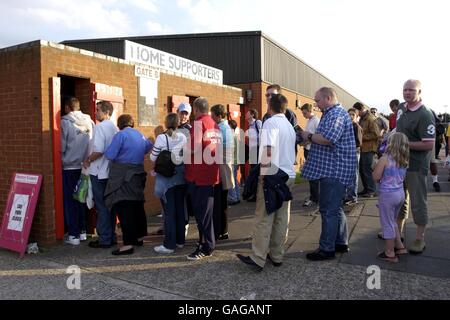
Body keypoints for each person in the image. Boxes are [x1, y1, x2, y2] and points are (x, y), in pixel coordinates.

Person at [236, 93, 296, 271]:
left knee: (264, 217)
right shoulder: (289, 126)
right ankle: (277, 256)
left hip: (273, 174)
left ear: (270, 106)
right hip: (288, 174)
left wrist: (263, 174)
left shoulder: (270, 122)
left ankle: (258, 257)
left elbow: (268, 150)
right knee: (281, 218)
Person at [301, 87, 357, 261]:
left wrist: (308, 136)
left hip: (334, 171)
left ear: (328, 98)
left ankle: (327, 248)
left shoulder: (336, 114)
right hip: (334, 169)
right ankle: (340, 242)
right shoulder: (333, 113)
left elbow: (328, 139)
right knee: (335, 208)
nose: (316, 104)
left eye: (317, 100)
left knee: (328, 210)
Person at [103, 114, 152, 255]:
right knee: (137, 206)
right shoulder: (140, 135)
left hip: (123, 176)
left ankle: (128, 245)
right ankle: (139, 237)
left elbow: (110, 155)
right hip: (138, 174)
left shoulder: (121, 135)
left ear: (120, 124)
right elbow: (149, 146)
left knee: (124, 209)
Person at [396, 79, 435, 254]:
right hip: (398, 162)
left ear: (419, 92)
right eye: (405, 90)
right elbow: (398, 131)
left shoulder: (425, 114)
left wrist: (402, 143)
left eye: (411, 90)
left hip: (416, 165)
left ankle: (420, 239)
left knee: (418, 203)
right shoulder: (401, 109)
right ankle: (397, 233)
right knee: (399, 199)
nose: (407, 93)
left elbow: (428, 144)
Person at [184, 97, 220, 260]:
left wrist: (182, 150)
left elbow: (193, 148)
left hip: (198, 175)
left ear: (196, 109)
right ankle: (204, 242)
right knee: (206, 212)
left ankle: (206, 246)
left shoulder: (199, 124)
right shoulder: (215, 124)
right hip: (211, 173)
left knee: (201, 214)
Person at [151, 113, 188, 254]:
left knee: (169, 212)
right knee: (179, 210)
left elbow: (153, 156)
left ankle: (169, 245)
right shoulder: (183, 137)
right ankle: (179, 241)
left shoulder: (161, 138)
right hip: (180, 177)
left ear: (166, 123)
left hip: (166, 179)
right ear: (178, 123)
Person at [84, 100, 119, 249]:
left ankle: (104, 238)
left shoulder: (100, 128)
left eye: (98, 110)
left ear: (106, 112)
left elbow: (98, 150)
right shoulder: (115, 128)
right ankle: (111, 236)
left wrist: (87, 160)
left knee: (101, 207)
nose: (96, 112)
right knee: (110, 206)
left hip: (98, 172)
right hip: (110, 172)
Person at [61, 97, 94, 245]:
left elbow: (61, 146)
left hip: (69, 167)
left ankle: (73, 235)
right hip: (85, 166)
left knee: (70, 201)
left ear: (67, 108)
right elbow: (93, 142)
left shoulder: (65, 122)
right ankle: (82, 232)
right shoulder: (89, 121)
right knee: (81, 198)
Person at [372, 132, 409, 263]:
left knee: (387, 224)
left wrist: (375, 166)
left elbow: (376, 177)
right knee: (392, 221)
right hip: (400, 194)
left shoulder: (385, 159)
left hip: (387, 195)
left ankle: (389, 252)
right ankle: (400, 246)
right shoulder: (404, 160)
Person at [210, 104, 235, 241]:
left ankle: (219, 231)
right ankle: (224, 231)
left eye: (213, 116)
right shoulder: (227, 128)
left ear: (219, 116)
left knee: (218, 202)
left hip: (221, 168)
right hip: (227, 166)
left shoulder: (220, 128)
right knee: (223, 203)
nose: (212, 118)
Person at [353, 102, 381, 198]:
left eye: (356, 111)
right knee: (362, 169)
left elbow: (376, 134)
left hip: (369, 148)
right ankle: (366, 189)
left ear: (360, 109)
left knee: (367, 169)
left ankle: (372, 190)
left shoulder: (371, 119)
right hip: (363, 148)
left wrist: (362, 137)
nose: (356, 114)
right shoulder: (362, 118)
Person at [300, 103, 320, 207]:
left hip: (312, 151)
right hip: (308, 149)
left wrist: (306, 142)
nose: (303, 115)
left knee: (313, 176)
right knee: (312, 176)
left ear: (309, 111)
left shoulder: (316, 121)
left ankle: (314, 198)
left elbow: (316, 137)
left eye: (304, 113)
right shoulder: (310, 121)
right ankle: (314, 197)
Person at [344, 108, 363, 205]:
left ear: (357, 117)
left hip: (354, 153)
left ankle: (353, 197)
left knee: (353, 176)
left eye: (353, 115)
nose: (351, 116)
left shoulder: (356, 127)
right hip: (347, 153)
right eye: (349, 114)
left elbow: (358, 143)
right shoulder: (347, 126)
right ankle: (348, 196)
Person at [227, 119, 242, 206]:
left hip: (232, 161)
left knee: (231, 180)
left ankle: (233, 197)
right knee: (235, 180)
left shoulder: (230, 136)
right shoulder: (236, 135)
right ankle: (237, 196)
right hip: (237, 161)